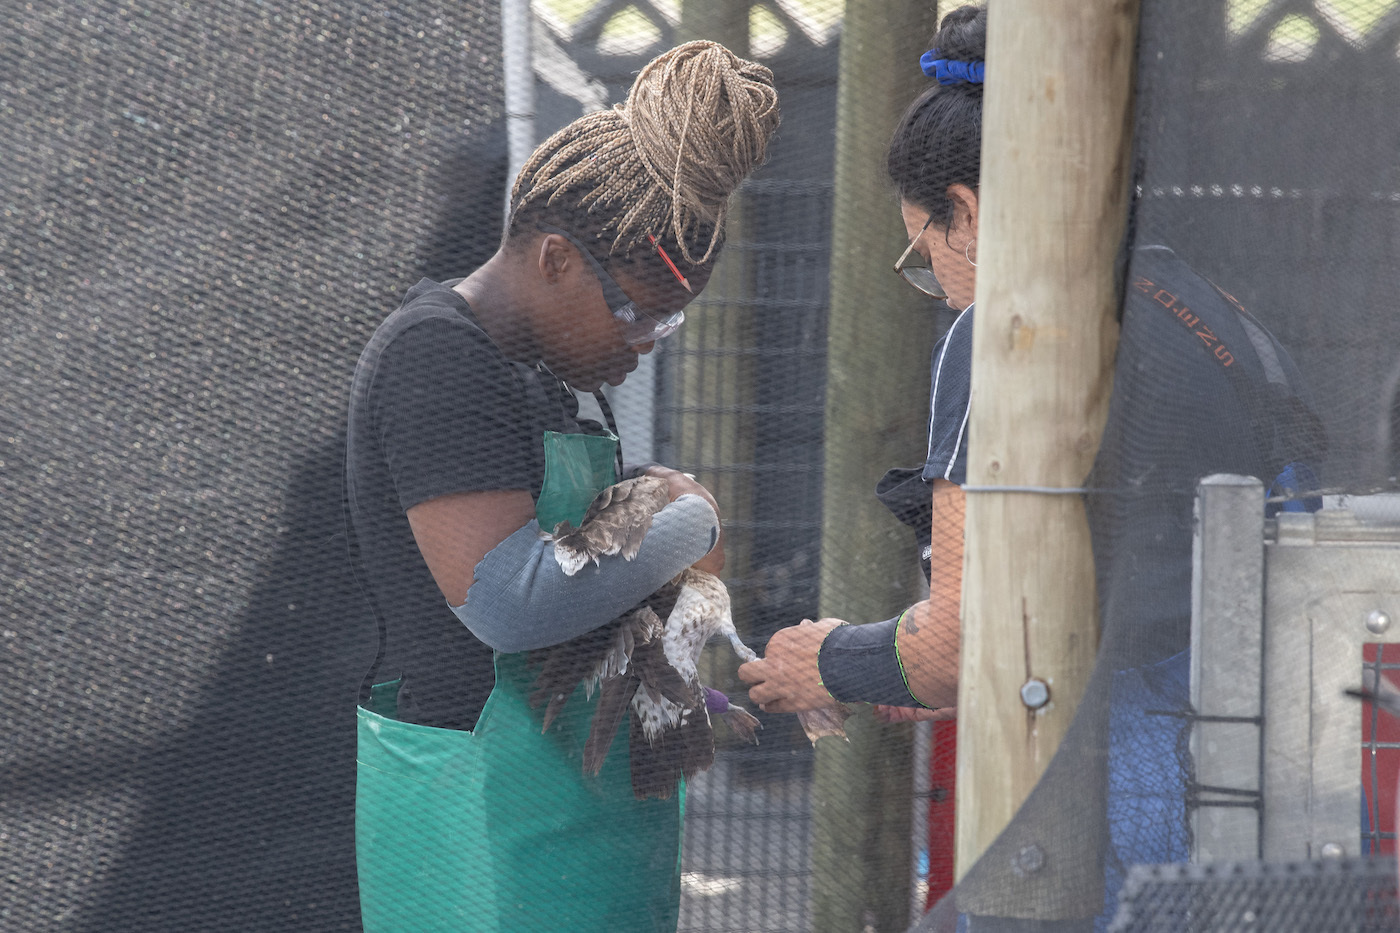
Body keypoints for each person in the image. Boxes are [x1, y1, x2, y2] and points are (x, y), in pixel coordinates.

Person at [737, 3, 1323, 926]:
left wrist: (834, 661)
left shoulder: (1003, 333)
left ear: (962, 210)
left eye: (925, 252)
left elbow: (958, 644)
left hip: (1125, 782)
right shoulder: (1214, 312)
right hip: (1275, 767)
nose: (938, 286)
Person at [344, 41, 779, 933]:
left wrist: (686, 675)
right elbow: (509, 602)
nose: (653, 337)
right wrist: (686, 512)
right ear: (553, 258)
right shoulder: (439, 358)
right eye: (638, 307)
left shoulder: (549, 370)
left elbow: (603, 578)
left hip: (585, 811)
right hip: (480, 816)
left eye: (675, 313)